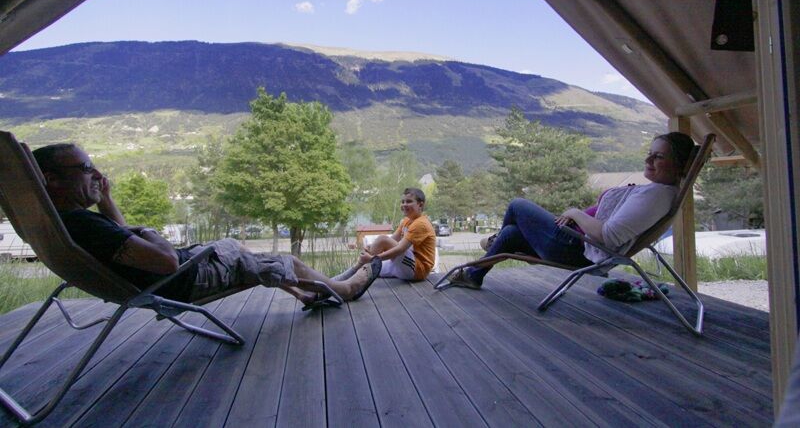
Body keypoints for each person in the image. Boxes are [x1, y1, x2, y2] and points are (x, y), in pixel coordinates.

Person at [32, 143, 380, 308]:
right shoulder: (83, 225)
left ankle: (305, 293)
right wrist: (149, 231)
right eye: (86, 168)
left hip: (175, 276)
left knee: (236, 248)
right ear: (53, 181)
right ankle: (344, 289)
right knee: (287, 262)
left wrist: (105, 200)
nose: (96, 174)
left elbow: (121, 239)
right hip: (185, 279)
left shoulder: (67, 223)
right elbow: (166, 262)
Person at [447, 132, 695, 289]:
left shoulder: (658, 195)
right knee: (511, 233)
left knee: (517, 205)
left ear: (679, 165)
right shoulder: (657, 191)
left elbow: (608, 236)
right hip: (573, 241)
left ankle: (491, 245)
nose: (648, 160)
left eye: (658, 156)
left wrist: (575, 213)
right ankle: (474, 274)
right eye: (649, 154)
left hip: (573, 248)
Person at [336, 188, 436, 282]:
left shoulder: (421, 223)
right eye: (403, 201)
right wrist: (373, 247)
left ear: (420, 205)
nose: (404, 204)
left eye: (409, 201)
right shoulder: (406, 221)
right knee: (367, 271)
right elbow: (393, 240)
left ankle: (350, 274)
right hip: (404, 265)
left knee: (381, 241)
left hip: (418, 269)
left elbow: (399, 249)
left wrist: (372, 258)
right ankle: (343, 283)